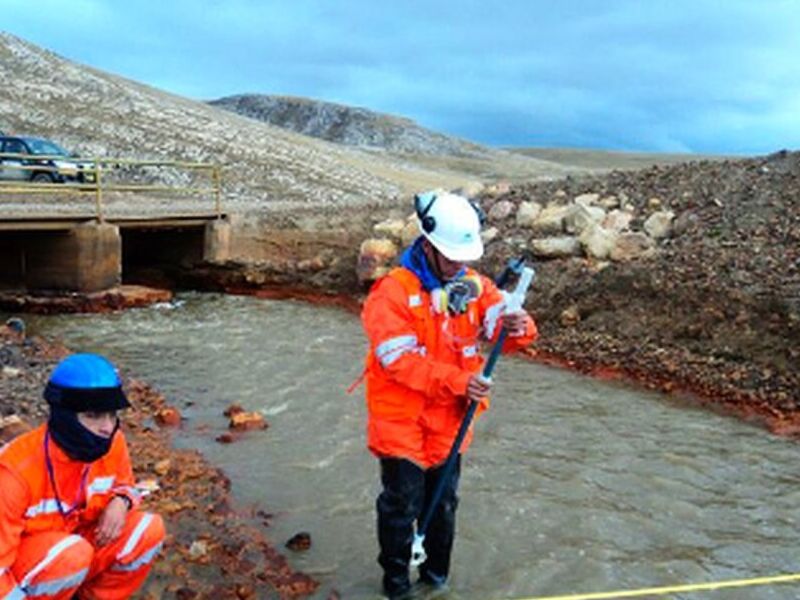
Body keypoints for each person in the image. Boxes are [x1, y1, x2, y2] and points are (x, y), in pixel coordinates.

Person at [360, 190, 538, 598]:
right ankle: (397, 586)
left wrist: (518, 325)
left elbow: (500, 328)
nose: (461, 264)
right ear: (428, 244)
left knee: (442, 507)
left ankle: (437, 581)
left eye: (464, 257)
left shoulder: (473, 285)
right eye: (452, 255)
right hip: (400, 418)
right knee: (402, 504)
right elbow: (399, 362)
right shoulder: (391, 293)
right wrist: (460, 382)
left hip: (449, 420)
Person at [0, 353, 165, 600]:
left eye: (111, 415)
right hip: (27, 568)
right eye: (93, 415)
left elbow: (126, 485)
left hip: (77, 548)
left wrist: (122, 501)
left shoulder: (112, 442)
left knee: (149, 529)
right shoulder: (13, 473)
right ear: (64, 416)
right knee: (72, 555)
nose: (107, 427)